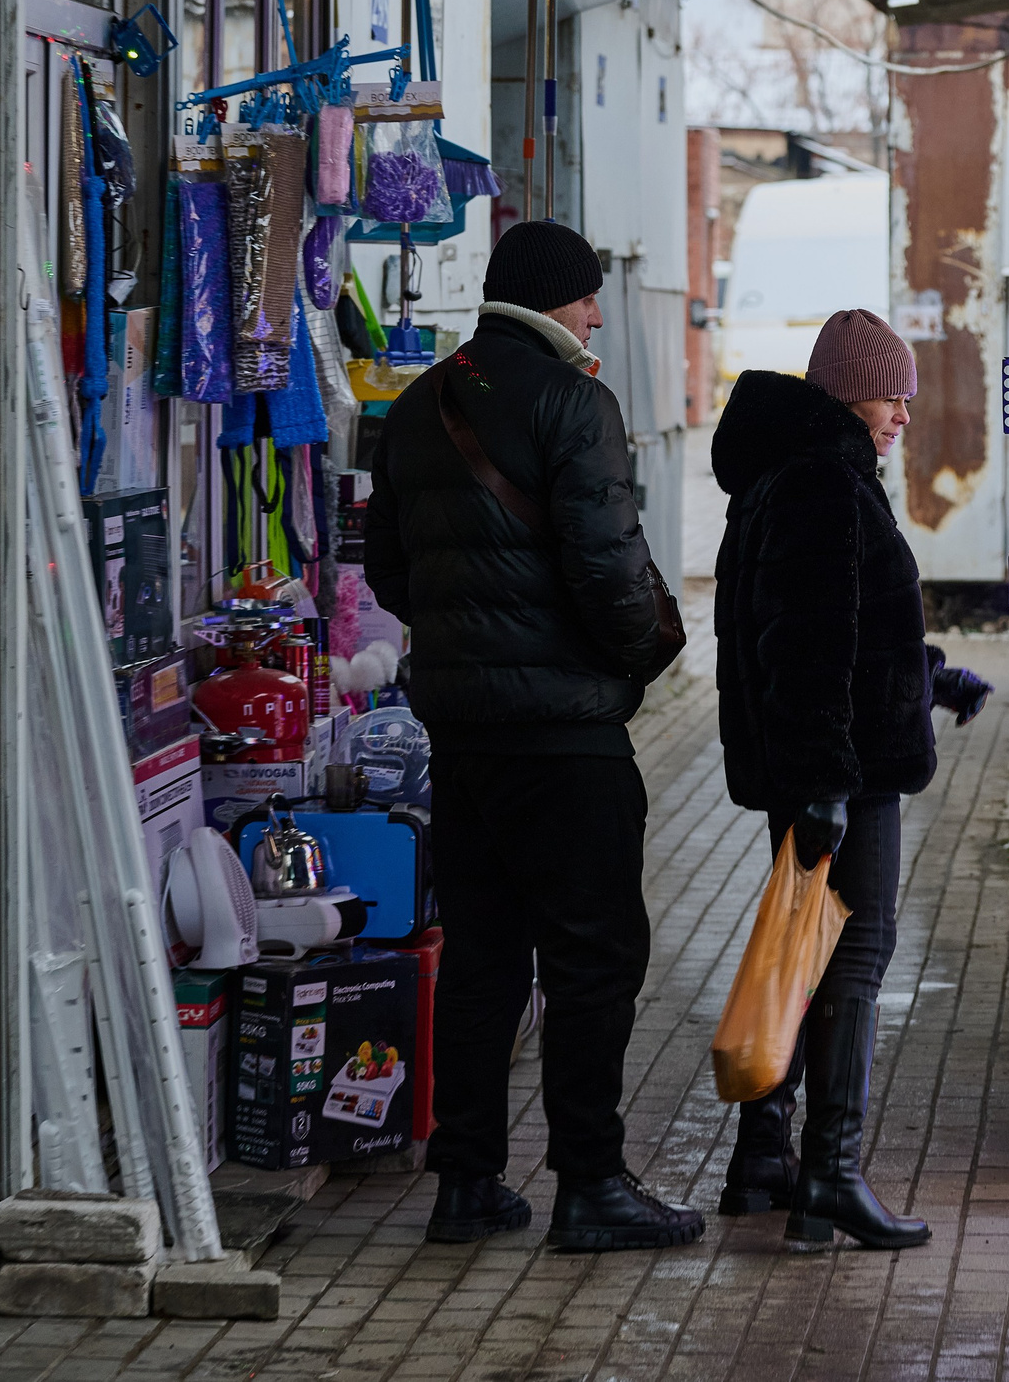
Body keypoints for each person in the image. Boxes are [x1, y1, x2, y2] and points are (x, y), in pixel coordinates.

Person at [365, 221, 697, 1252]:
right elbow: (609, 573)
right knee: (594, 960)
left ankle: (465, 1182)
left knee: (481, 959)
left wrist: (465, 649)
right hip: (565, 740)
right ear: (557, 300)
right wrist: (634, 662)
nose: (598, 314)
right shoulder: (574, 402)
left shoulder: (420, 407)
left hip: (462, 738)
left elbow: (384, 570)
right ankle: (590, 1185)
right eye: (590, 298)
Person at [710, 309, 991, 1249]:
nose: (903, 413)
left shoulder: (800, 470)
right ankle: (827, 1173)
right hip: (841, 770)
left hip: (826, 759)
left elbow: (850, 623)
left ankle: (762, 1157)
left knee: (808, 947)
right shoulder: (823, 480)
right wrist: (829, 780)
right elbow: (807, 643)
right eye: (890, 394)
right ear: (845, 392)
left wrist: (932, 677)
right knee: (854, 957)